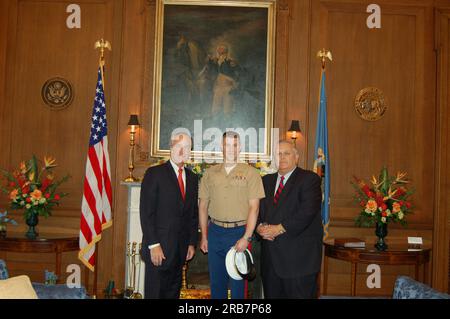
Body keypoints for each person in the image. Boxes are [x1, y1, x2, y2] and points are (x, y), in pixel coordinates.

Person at [199, 131, 265, 299]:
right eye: (227, 145)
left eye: (234, 145)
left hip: (239, 233)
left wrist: (247, 237)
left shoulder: (251, 173)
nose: (230, 149)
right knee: (216, 283)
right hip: (215, 232)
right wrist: (204, 236)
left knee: (238, 285)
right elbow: (203, 206)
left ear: (240, 147)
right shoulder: (209, 173)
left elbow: (254, 208)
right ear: (221, 147)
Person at [256, 140, 323, 299]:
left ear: (296, 157)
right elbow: (257, 211)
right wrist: (259, 228)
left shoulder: (309, 179)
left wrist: (277, 228)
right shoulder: (265, 181)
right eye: (278, 154)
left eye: (286, 153)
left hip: (299, 263)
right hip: (271, 263)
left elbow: (306, 212)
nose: (282, 157)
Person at [140, 132, 199, 299]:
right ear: (171, 148)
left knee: (173, 295)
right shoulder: (154, 173)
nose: (182, 151)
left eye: (187, 147)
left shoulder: (193, 178)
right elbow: (147, 213)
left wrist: (191, 243)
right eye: (179, 146)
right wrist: (153, 245)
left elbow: (193, 215)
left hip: (180, 251)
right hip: (158, 250)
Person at [204, 45, 241, 116]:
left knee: (227, 107)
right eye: (218, 50)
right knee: (216, 106)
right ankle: (216, 118)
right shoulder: (216, 60)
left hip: (228, 86)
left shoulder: (230, 61)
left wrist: (235, 83)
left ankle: (227, 117)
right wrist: (209, 60)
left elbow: (237, 72)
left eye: (221, 51)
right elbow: (211, 66)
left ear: (226, 52)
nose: (219, 52)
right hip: (219, 86)